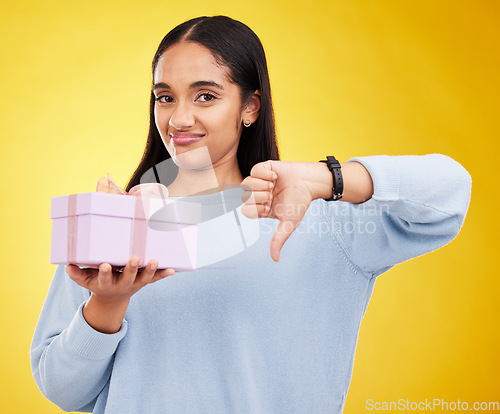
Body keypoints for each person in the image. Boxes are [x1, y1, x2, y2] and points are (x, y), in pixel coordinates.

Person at [31, 15, 472, 414]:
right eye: (165, 97)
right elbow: (62, 389)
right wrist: (107, 303)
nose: (178, 118)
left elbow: (451, 193)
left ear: (250, 107)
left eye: (205, 96)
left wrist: (327, 179)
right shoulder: (120, 223)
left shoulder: (317, 220)